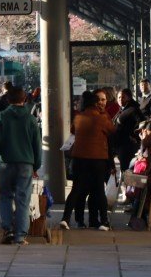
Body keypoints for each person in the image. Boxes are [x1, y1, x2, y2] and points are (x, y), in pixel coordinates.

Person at [0, 87, 41, 245]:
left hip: (5, 163)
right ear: (24, 100)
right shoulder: (30, 120)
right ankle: (20, 236)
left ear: (8, 100)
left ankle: (8, 229)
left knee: (5, 197)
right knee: (23, 199)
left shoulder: (1, 117)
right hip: (26, 164)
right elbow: (36, 145)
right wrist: (36, 165)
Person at [60, 90, 116, 231]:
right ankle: (104, 222)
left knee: (76, 190)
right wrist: (105, 115)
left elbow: (73, 131)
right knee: (99, 190)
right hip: (97, 159)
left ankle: (65, 219)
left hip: (79, 158)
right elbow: (112, 130)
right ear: (96, 103)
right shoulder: (102, 118)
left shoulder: (79, 117)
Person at [112, 88, 143, 173]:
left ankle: (127, 185)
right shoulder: (123, 109)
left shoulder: (133, 109)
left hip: (128, 146)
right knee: (124, 168)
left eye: (123, 97)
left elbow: (141, 122)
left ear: (129, 97)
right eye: (119, 97)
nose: (120, 99)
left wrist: (133, 135)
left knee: (126, 169)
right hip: (121, 144)